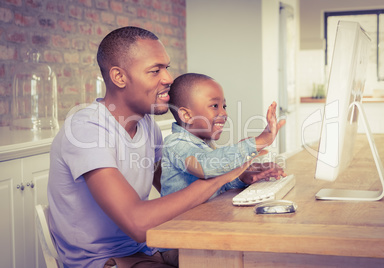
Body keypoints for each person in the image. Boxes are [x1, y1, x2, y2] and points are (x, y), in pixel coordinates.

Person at [47, 26, 283, 268]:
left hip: (148, 250)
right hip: (105, 261)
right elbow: (137, 223)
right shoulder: (87, 129)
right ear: (119, 77)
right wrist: (219, 178)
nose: (168, 78)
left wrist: (239, 177)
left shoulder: (147, 125)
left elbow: (174, 185)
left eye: (167, 68)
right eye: (154, 70)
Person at [160, 73, 286, 199]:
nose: (224, 113)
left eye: (224, 106)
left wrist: (243, 176)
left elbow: (216, 185)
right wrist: (257, 142)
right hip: (180, 219)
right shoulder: (175, 143)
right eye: (215, 106)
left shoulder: (206, 145)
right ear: (187, 116)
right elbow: (204, 166)